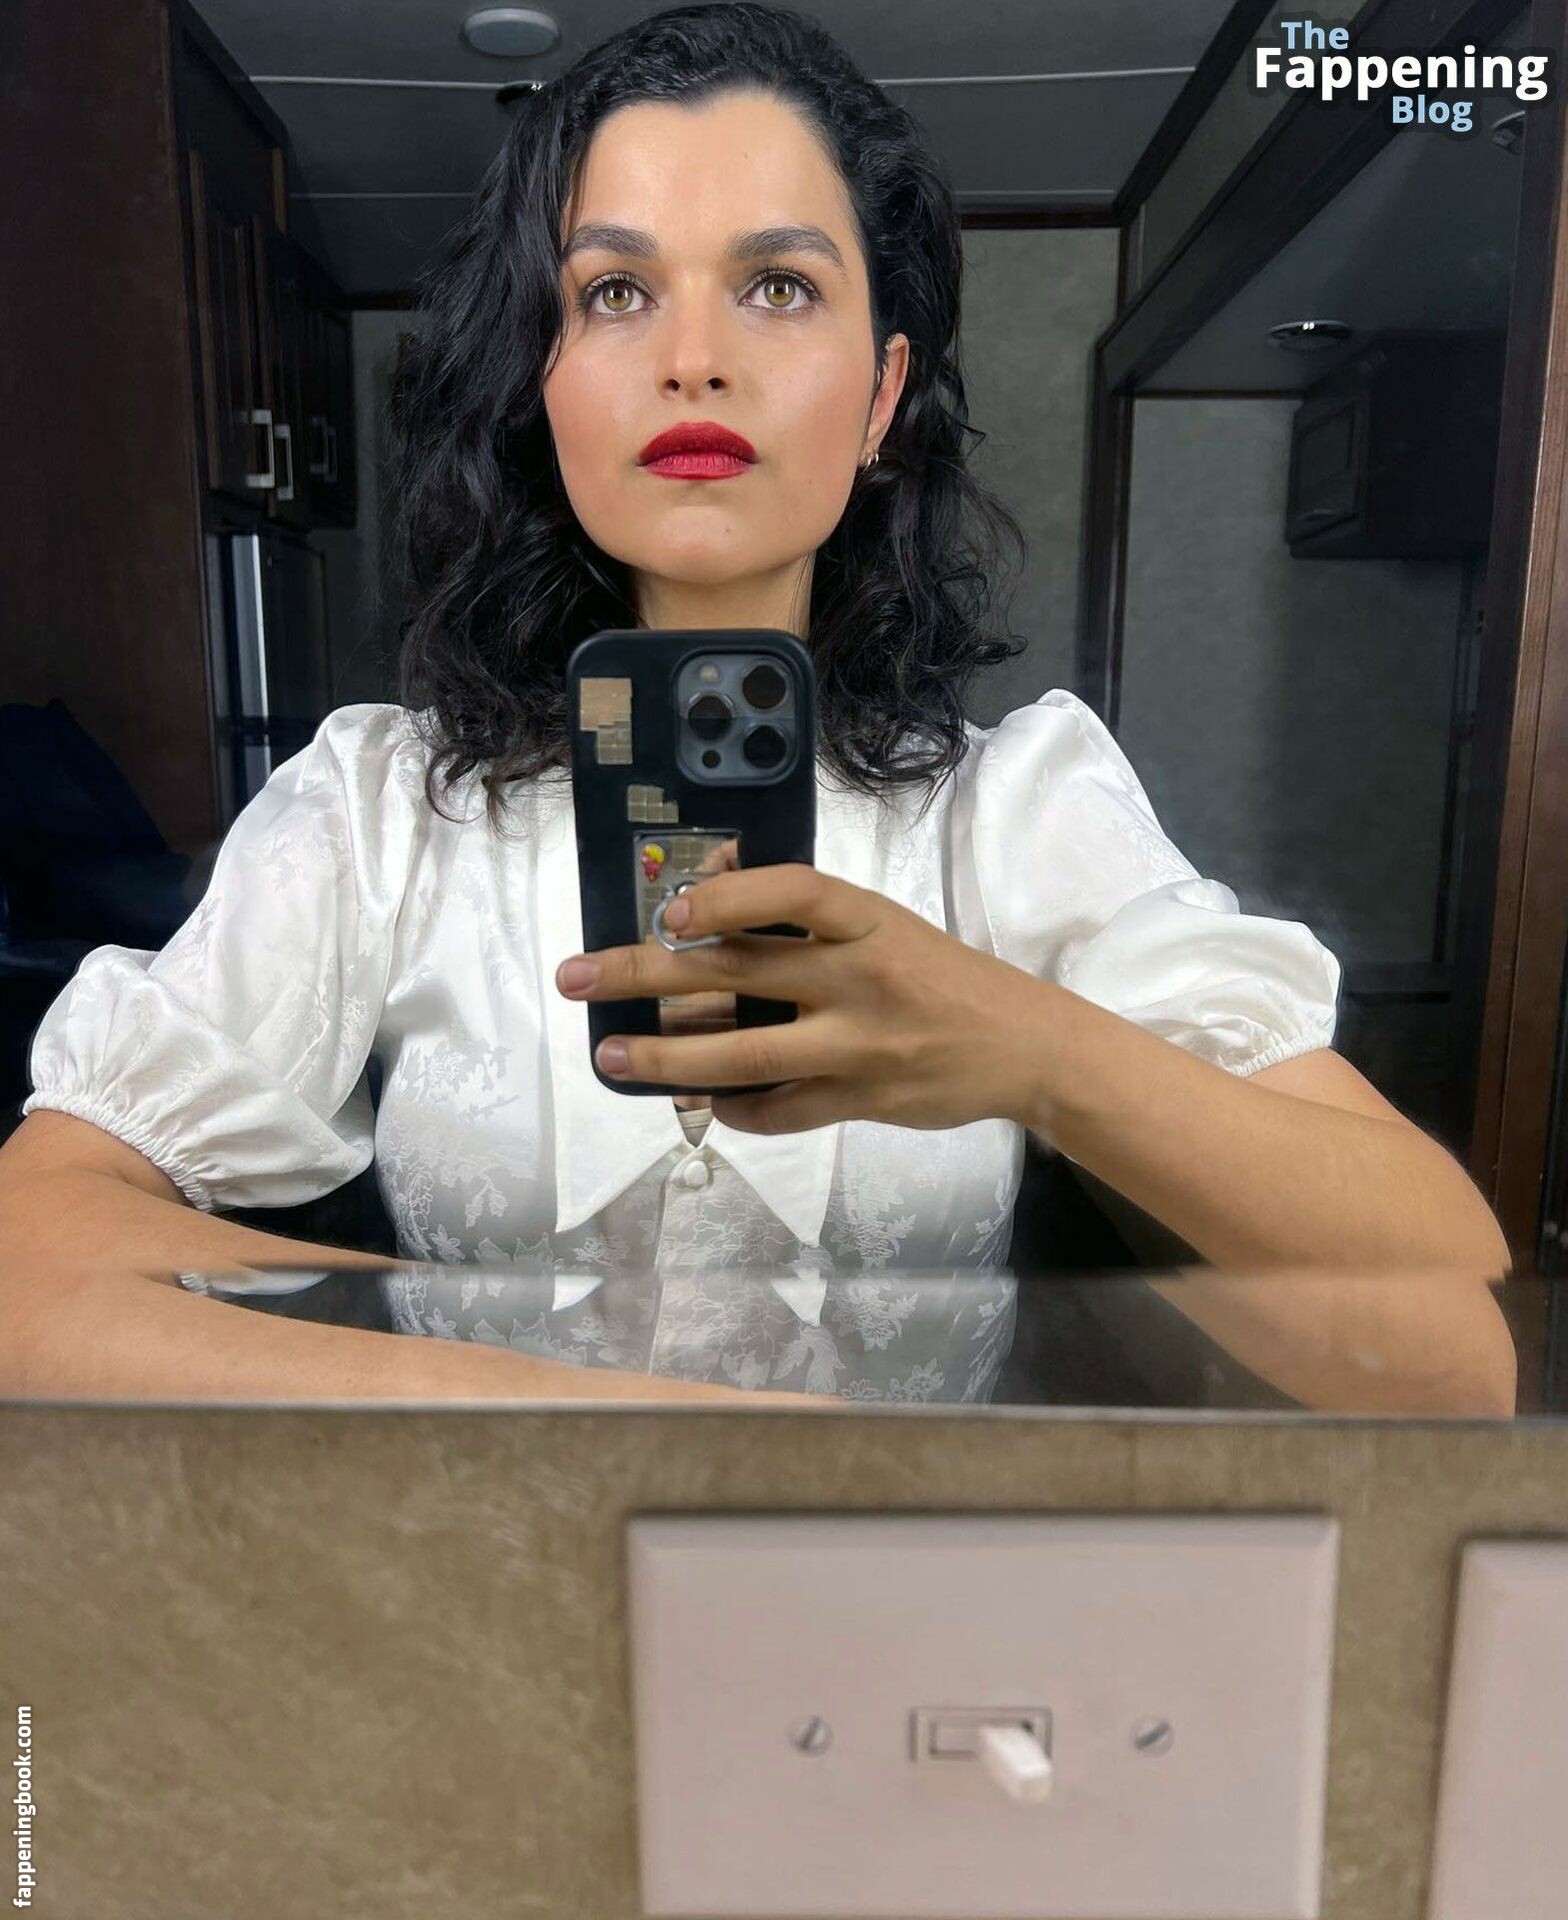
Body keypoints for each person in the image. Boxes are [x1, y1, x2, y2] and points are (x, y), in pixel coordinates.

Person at [1, 3, 1515, 1410]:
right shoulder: (381, 806)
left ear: (880, 396)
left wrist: (1034, 1050)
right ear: (542, 385)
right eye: (614, 292)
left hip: (893, 1606)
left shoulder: (1016, 810)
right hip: (476, 1577)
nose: (695, 360)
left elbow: (1450, 1356)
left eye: (779, 286)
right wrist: (602, 1427)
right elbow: (30, 1266)